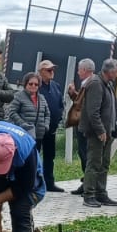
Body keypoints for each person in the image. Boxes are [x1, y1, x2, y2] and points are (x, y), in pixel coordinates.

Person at [79, 58, 117, 209]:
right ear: (110, 71)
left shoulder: (108, 84)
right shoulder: (96, 84)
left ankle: (101, 193)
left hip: (108, 132)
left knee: (104, 164)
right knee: (94, 163)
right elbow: (93, 111)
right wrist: (100, 130)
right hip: (97, 133)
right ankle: (89, 195)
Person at [36, 59, 66, 191]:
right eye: (49, 70)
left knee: (50, 156)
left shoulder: (56, 86)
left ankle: (49, 183)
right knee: (34, 155)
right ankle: (34, 183)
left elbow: (60, 103)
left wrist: (59, 117)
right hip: (38, 128)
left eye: (53, 69)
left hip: (52, 128)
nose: (52, 72)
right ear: (41, 71)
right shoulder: (36, 86)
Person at [67, 57, 96, 194]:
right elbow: (82, 101)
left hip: (86, 125)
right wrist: (73, 94)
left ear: (84, 70)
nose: (78, 72)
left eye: (79, 70)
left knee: (86, 154)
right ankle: (86, 183)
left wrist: (74, 94)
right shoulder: (88, 83)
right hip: (83, 124)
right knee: (83, 152)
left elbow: (88, 105)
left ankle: (89, 185)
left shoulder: (91, 84)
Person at [7, 70, 51, 148]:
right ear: (25, 84)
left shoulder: (42, 98)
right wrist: (22, 123)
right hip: (23, 134)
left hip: (39, 135)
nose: (33, 86)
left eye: (36, 84)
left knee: (36, 155)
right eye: (30, 84)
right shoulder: (18, 96)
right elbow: (12, 112)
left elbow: (47, 114)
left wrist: (46, 125)